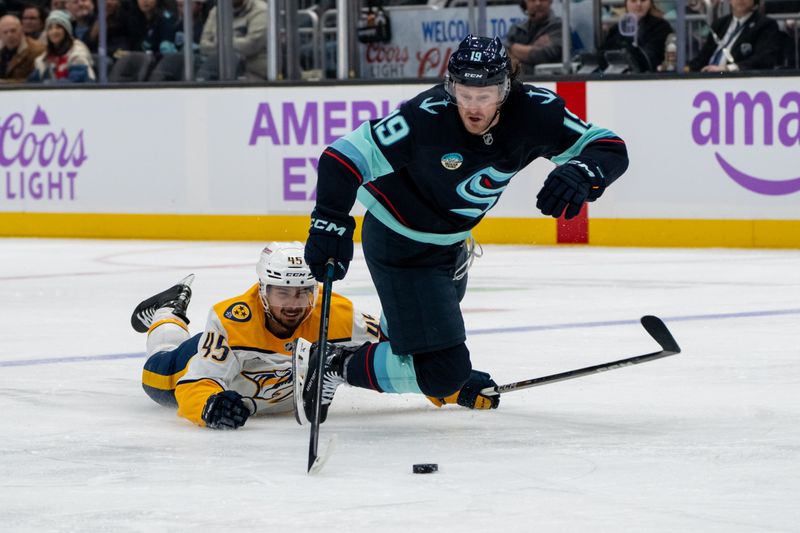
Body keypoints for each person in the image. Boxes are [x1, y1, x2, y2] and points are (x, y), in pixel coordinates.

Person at [301, 35, 629, 424]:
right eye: (464, 93)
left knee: (421, 349)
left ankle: (405, 357)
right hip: (401, 247)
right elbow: (342, 158)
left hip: (453, 246)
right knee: (442, 373)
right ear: (450, 85)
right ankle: (333, 363)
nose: (473, 107)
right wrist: (329, 221)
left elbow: (608, 146)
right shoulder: (425, 116)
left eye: (485, 94)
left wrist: (584, 171)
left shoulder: (536, 113)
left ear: (506, 88)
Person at [131, 242, 385, 429]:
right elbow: (196, 383)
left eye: (302, 292)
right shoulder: (232, 323)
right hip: (200, 360)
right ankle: (168, 311)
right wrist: (209, 406)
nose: (294, 305)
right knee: (155, 372)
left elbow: (399, 350)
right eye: (282, 293)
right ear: (263, 290)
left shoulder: (340, 316)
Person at [687, 0, 781, 72]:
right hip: (708, 75)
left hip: (735, 79)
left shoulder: (765, 25)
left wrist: (728, 68)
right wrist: (686, 68)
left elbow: (763, 58)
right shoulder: (720, 24)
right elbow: (703, 56)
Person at [198, 0, 266, 80]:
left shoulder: (261, 10)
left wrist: (220, 42)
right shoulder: (216, 11)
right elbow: (203, 45)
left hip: (252, 73)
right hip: (218, 69)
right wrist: (234, 43)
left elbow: (251, 45)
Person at [599, 0, 673, 72]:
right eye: (633, 0)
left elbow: (653, 58)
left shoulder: (661, 27)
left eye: (643, 0)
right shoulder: (617, 29)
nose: (638, 4)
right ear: (626, 3)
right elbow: (604, 55)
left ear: (650, 3)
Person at [28, 9, 95, 82]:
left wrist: (48, 84)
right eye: (50, 28)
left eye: (58, 27)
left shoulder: (78, 51)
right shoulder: (44, 57)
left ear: (66, 31)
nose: (54, 31)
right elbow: (33, 82)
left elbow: (75, 81)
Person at [503, 0, 563, 75]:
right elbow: (505, 55)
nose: (538, 3)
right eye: (532, 0)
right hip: (521, 81)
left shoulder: (560, 26)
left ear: (550, 1)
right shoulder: (517, 30)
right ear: (525, 3)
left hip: (552, 80)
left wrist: (514, 49)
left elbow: (542, 55)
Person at [0, 13, 44, 81]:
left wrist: (5, 83)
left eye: (13, 31)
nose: (9, 35)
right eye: (5, 32)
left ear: (21, 30)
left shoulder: (37, 50)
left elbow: (33, 81)